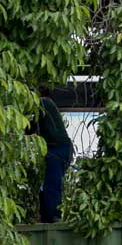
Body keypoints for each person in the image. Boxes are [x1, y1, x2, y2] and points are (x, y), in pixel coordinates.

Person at [35, 94, 72, 223]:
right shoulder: (43, 105)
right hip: (57, 149)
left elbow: (31, 127)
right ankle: (47, 217)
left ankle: (54, 216)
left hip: (59, 149)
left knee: (52, 184)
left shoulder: (43, 103)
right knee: (47, 186)